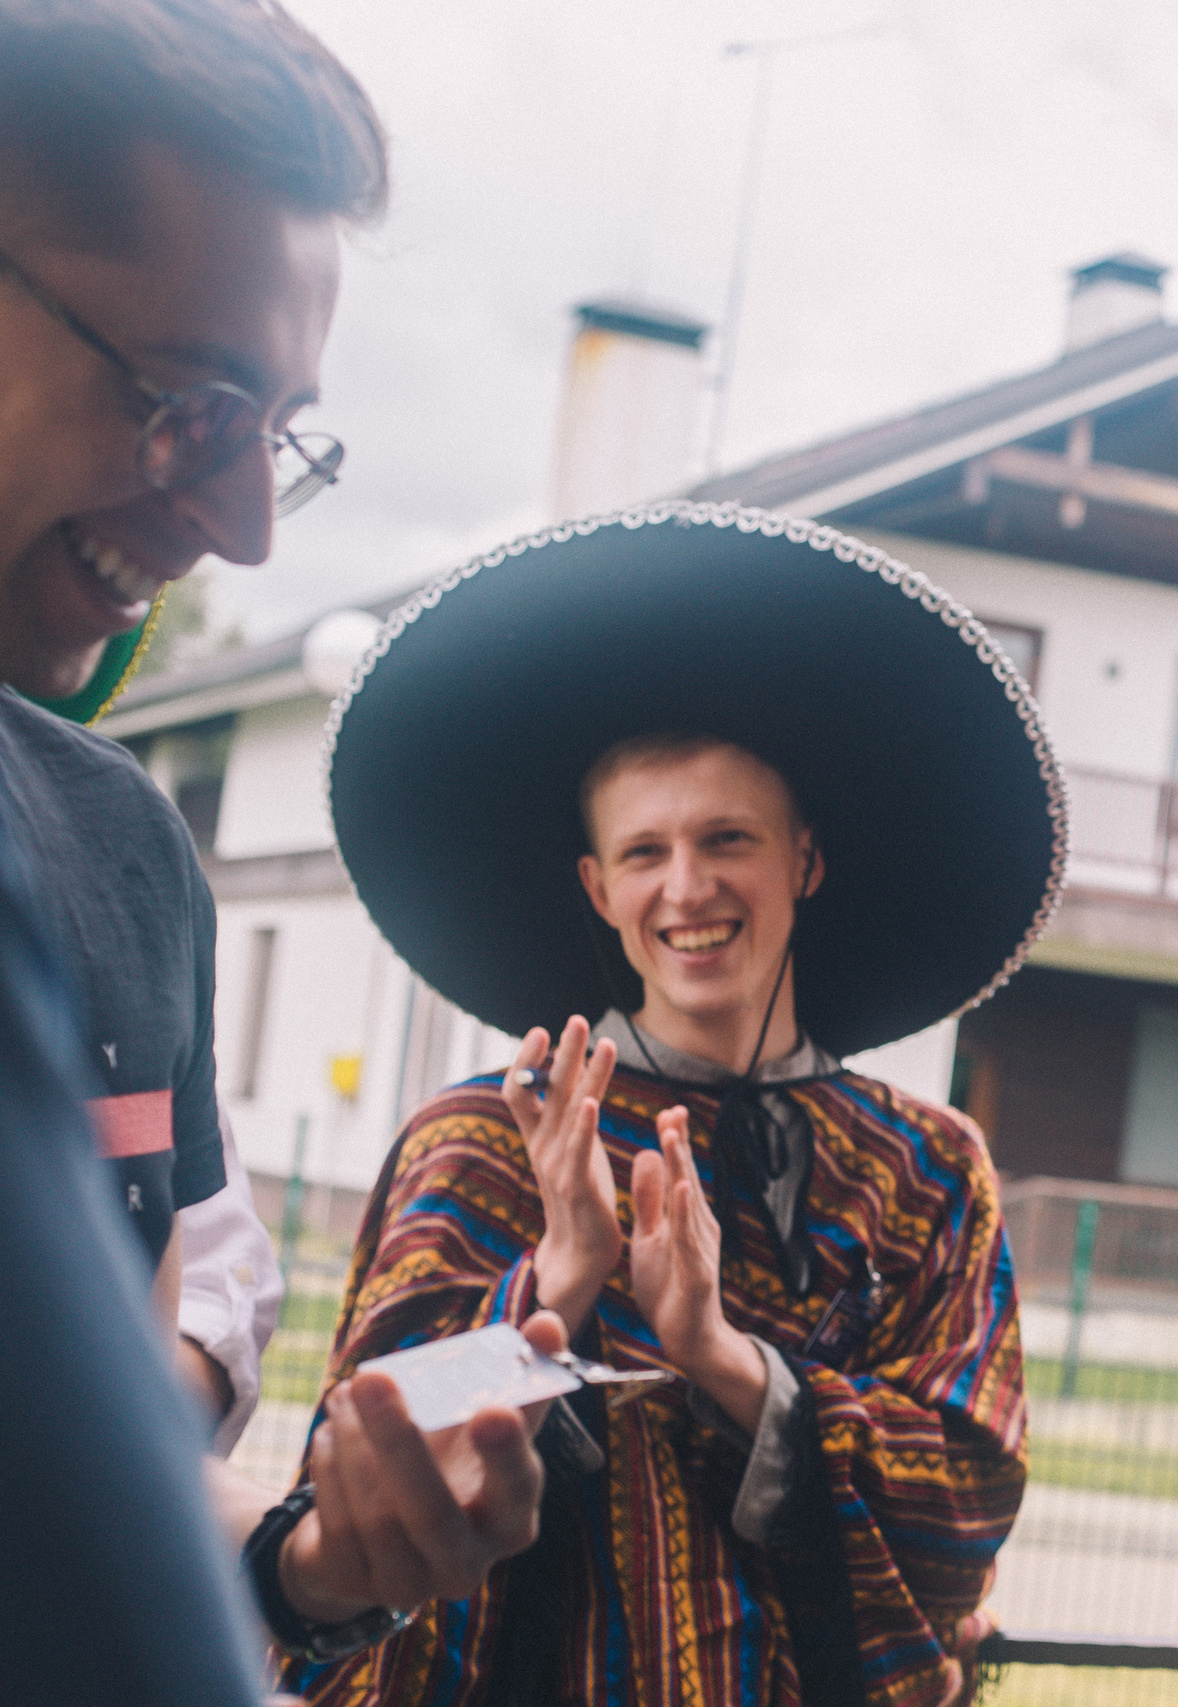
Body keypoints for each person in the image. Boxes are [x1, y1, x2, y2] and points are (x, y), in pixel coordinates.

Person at [0, 0, 556, 1690]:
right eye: (189, 399)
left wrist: (310, 1565)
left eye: (281, 432)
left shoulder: (118, 849)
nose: (241, 519)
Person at [298, 505, 1062, 1705]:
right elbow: (357, 1472)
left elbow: (969, 1493)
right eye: (646, 853)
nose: (689, 887)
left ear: (802, 860)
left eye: (727, 839)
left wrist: (724, 1359)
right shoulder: (486, 1138)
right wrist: (553, 1287)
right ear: (599, 890)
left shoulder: (927, 1167)